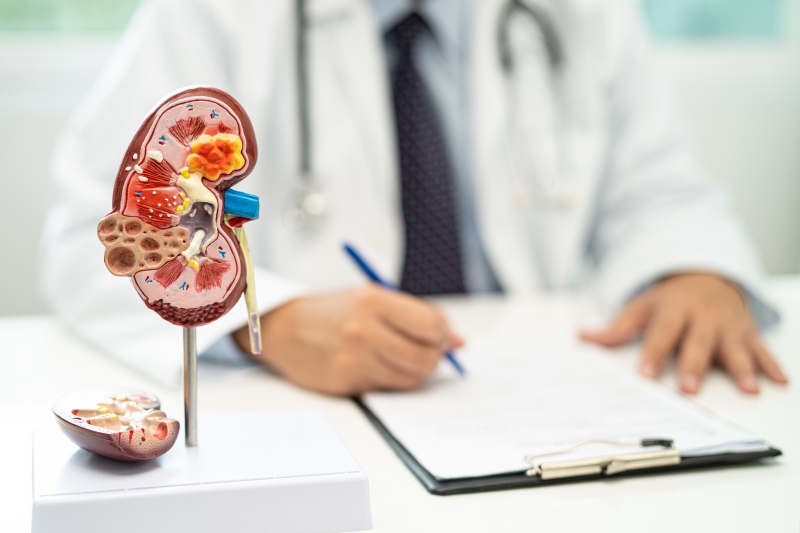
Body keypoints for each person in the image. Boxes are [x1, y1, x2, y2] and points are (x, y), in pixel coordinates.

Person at [41, 0, 787, 396]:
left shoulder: (582, 11)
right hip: (312, 423)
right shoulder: (213, 12)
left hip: (536, 397)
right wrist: (262, 320)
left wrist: (692, 269)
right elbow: (96, 237)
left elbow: (656, 189)